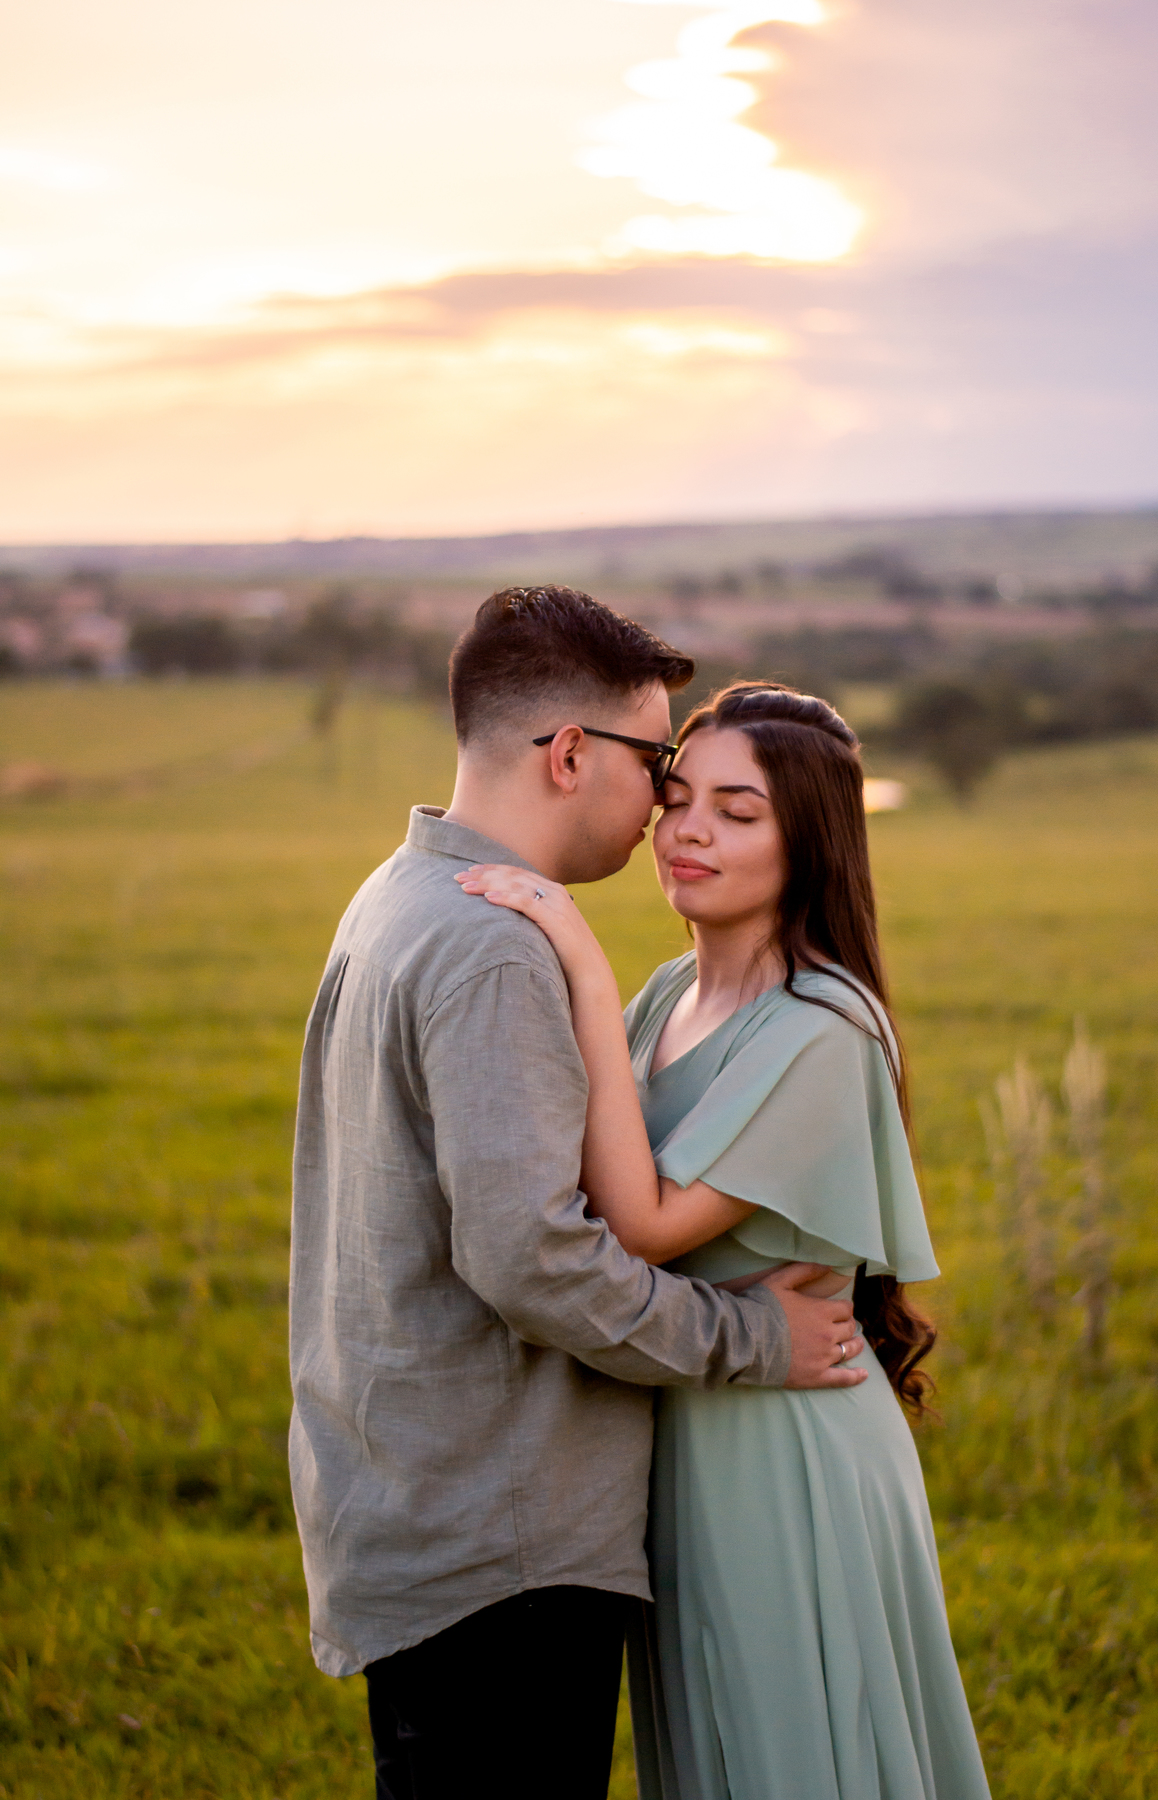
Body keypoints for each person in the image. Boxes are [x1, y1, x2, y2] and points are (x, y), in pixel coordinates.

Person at [288, 593, 871, 1800]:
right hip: (500, 1544)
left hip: (410, 1502)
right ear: (568, 756)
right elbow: (532, 1260)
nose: (667, 803)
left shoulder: (395, 896)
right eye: (660, 764)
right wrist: (754, 1336)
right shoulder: (495, 947)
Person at [458, 681, 992, 1800]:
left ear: (810, 844)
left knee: (791, 1754)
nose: (689, 832)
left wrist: (576, 959)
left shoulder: (821, 1028)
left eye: (738, 813)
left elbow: (642, 1225)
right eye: (680, 798)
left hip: (784, 1452)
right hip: (686, 1437)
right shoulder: (665, 1000)